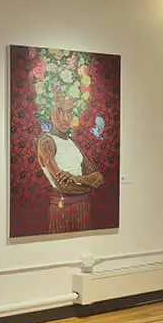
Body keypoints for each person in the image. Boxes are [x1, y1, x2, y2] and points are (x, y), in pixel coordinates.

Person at [36, 92, 103, 234]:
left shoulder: (73, 143)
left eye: (70, 112)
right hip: (63, 209)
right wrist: (87, 182)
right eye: (59, 111)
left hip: (84, 208)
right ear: (50, 113)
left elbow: (98, 178)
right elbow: (64, 186)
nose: (65, 118)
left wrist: (75, 178)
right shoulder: (46, 142)